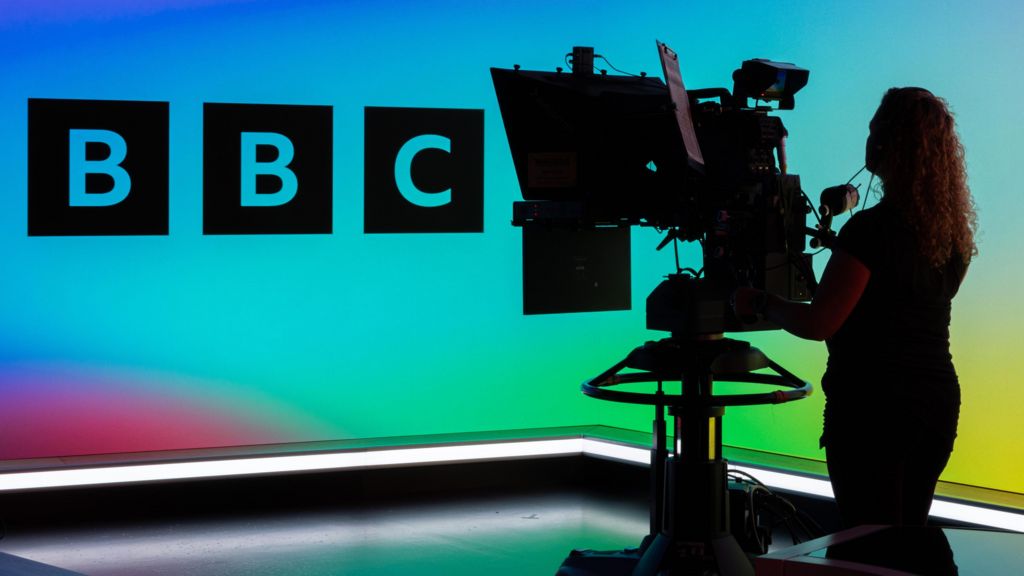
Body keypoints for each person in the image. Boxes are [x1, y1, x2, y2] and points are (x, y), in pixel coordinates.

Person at [733, 87, 978, 527]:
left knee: (868, 546)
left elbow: (819, 322)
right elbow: (904, 297)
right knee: (907, 540)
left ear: (888, 144)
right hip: (936, 406)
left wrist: (761, 302)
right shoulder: (952, 236)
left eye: (873, 130)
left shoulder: (869, 231)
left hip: (873, 411)